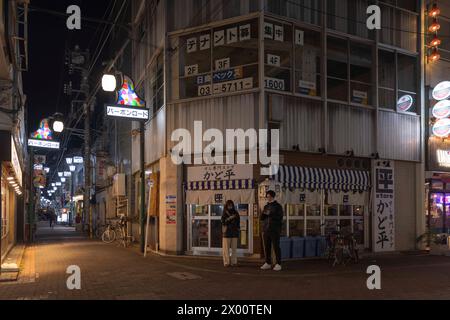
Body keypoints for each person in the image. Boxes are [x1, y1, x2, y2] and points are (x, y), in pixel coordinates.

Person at [260, 190, 284, 271]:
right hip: (266, 229)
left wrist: (271, 214)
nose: (268, 198)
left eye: (269, 196)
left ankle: (278, 263)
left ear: (273, 197)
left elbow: (280, 217)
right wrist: (263, 214)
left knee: (276, 247)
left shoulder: (278, 206)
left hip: (275, 229)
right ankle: (267, 263)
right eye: (267, 197)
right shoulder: (266, 206)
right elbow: (262, 218)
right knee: (267, 247)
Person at [221, 200, 240, 267]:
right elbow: (223, 222)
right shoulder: (224, 213)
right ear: (226, 206)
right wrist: (229, 218)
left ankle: (234, 262)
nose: (230, 207)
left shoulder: (236, 212)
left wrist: (238, 229)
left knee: (234, 249)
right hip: (227, 233)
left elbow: (238, 222)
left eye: (231, 205)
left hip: (234, 232)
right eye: (229, 205)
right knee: (226, 249)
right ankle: (226, 262)